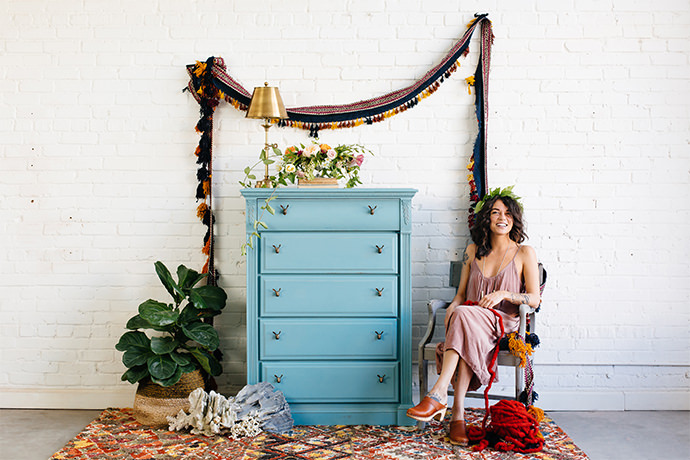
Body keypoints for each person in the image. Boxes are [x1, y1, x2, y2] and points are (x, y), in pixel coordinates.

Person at [406, 187, 541, 446]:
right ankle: (457, 416)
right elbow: (459, 295)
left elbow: (534, 299)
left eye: (508, 213)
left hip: (503, 323)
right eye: (495, 212)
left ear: (514, 219)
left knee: (464, 316)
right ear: (486, 219)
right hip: (470, 320)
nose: (502, 217)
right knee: (463, 316)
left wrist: (505, 293)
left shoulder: (525, 253)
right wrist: (453, 309)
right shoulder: (472, 250)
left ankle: (438, 394)